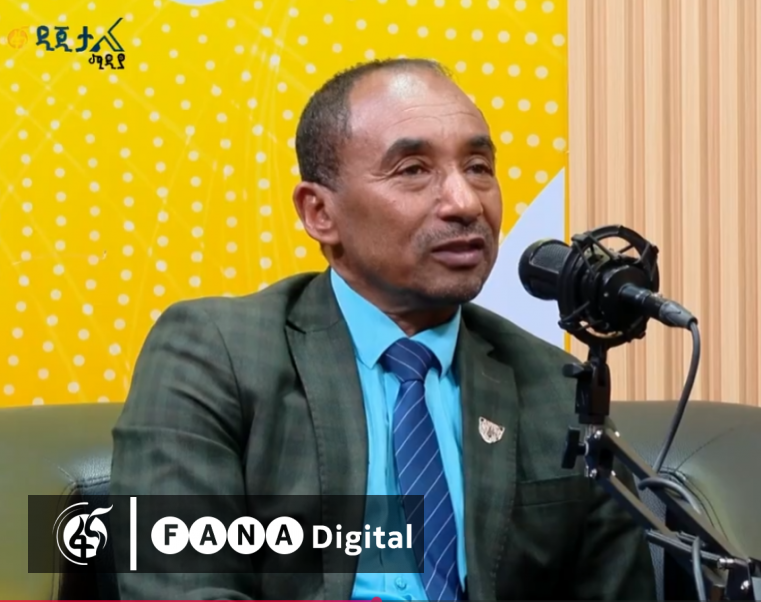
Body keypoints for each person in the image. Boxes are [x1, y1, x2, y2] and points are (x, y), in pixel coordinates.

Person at [109, 58, 656, 600]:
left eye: (478, 167)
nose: (466, 202)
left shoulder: (553, 384)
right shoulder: (214, 353)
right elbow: (182, 587)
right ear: (319, 213)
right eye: (413, 170)